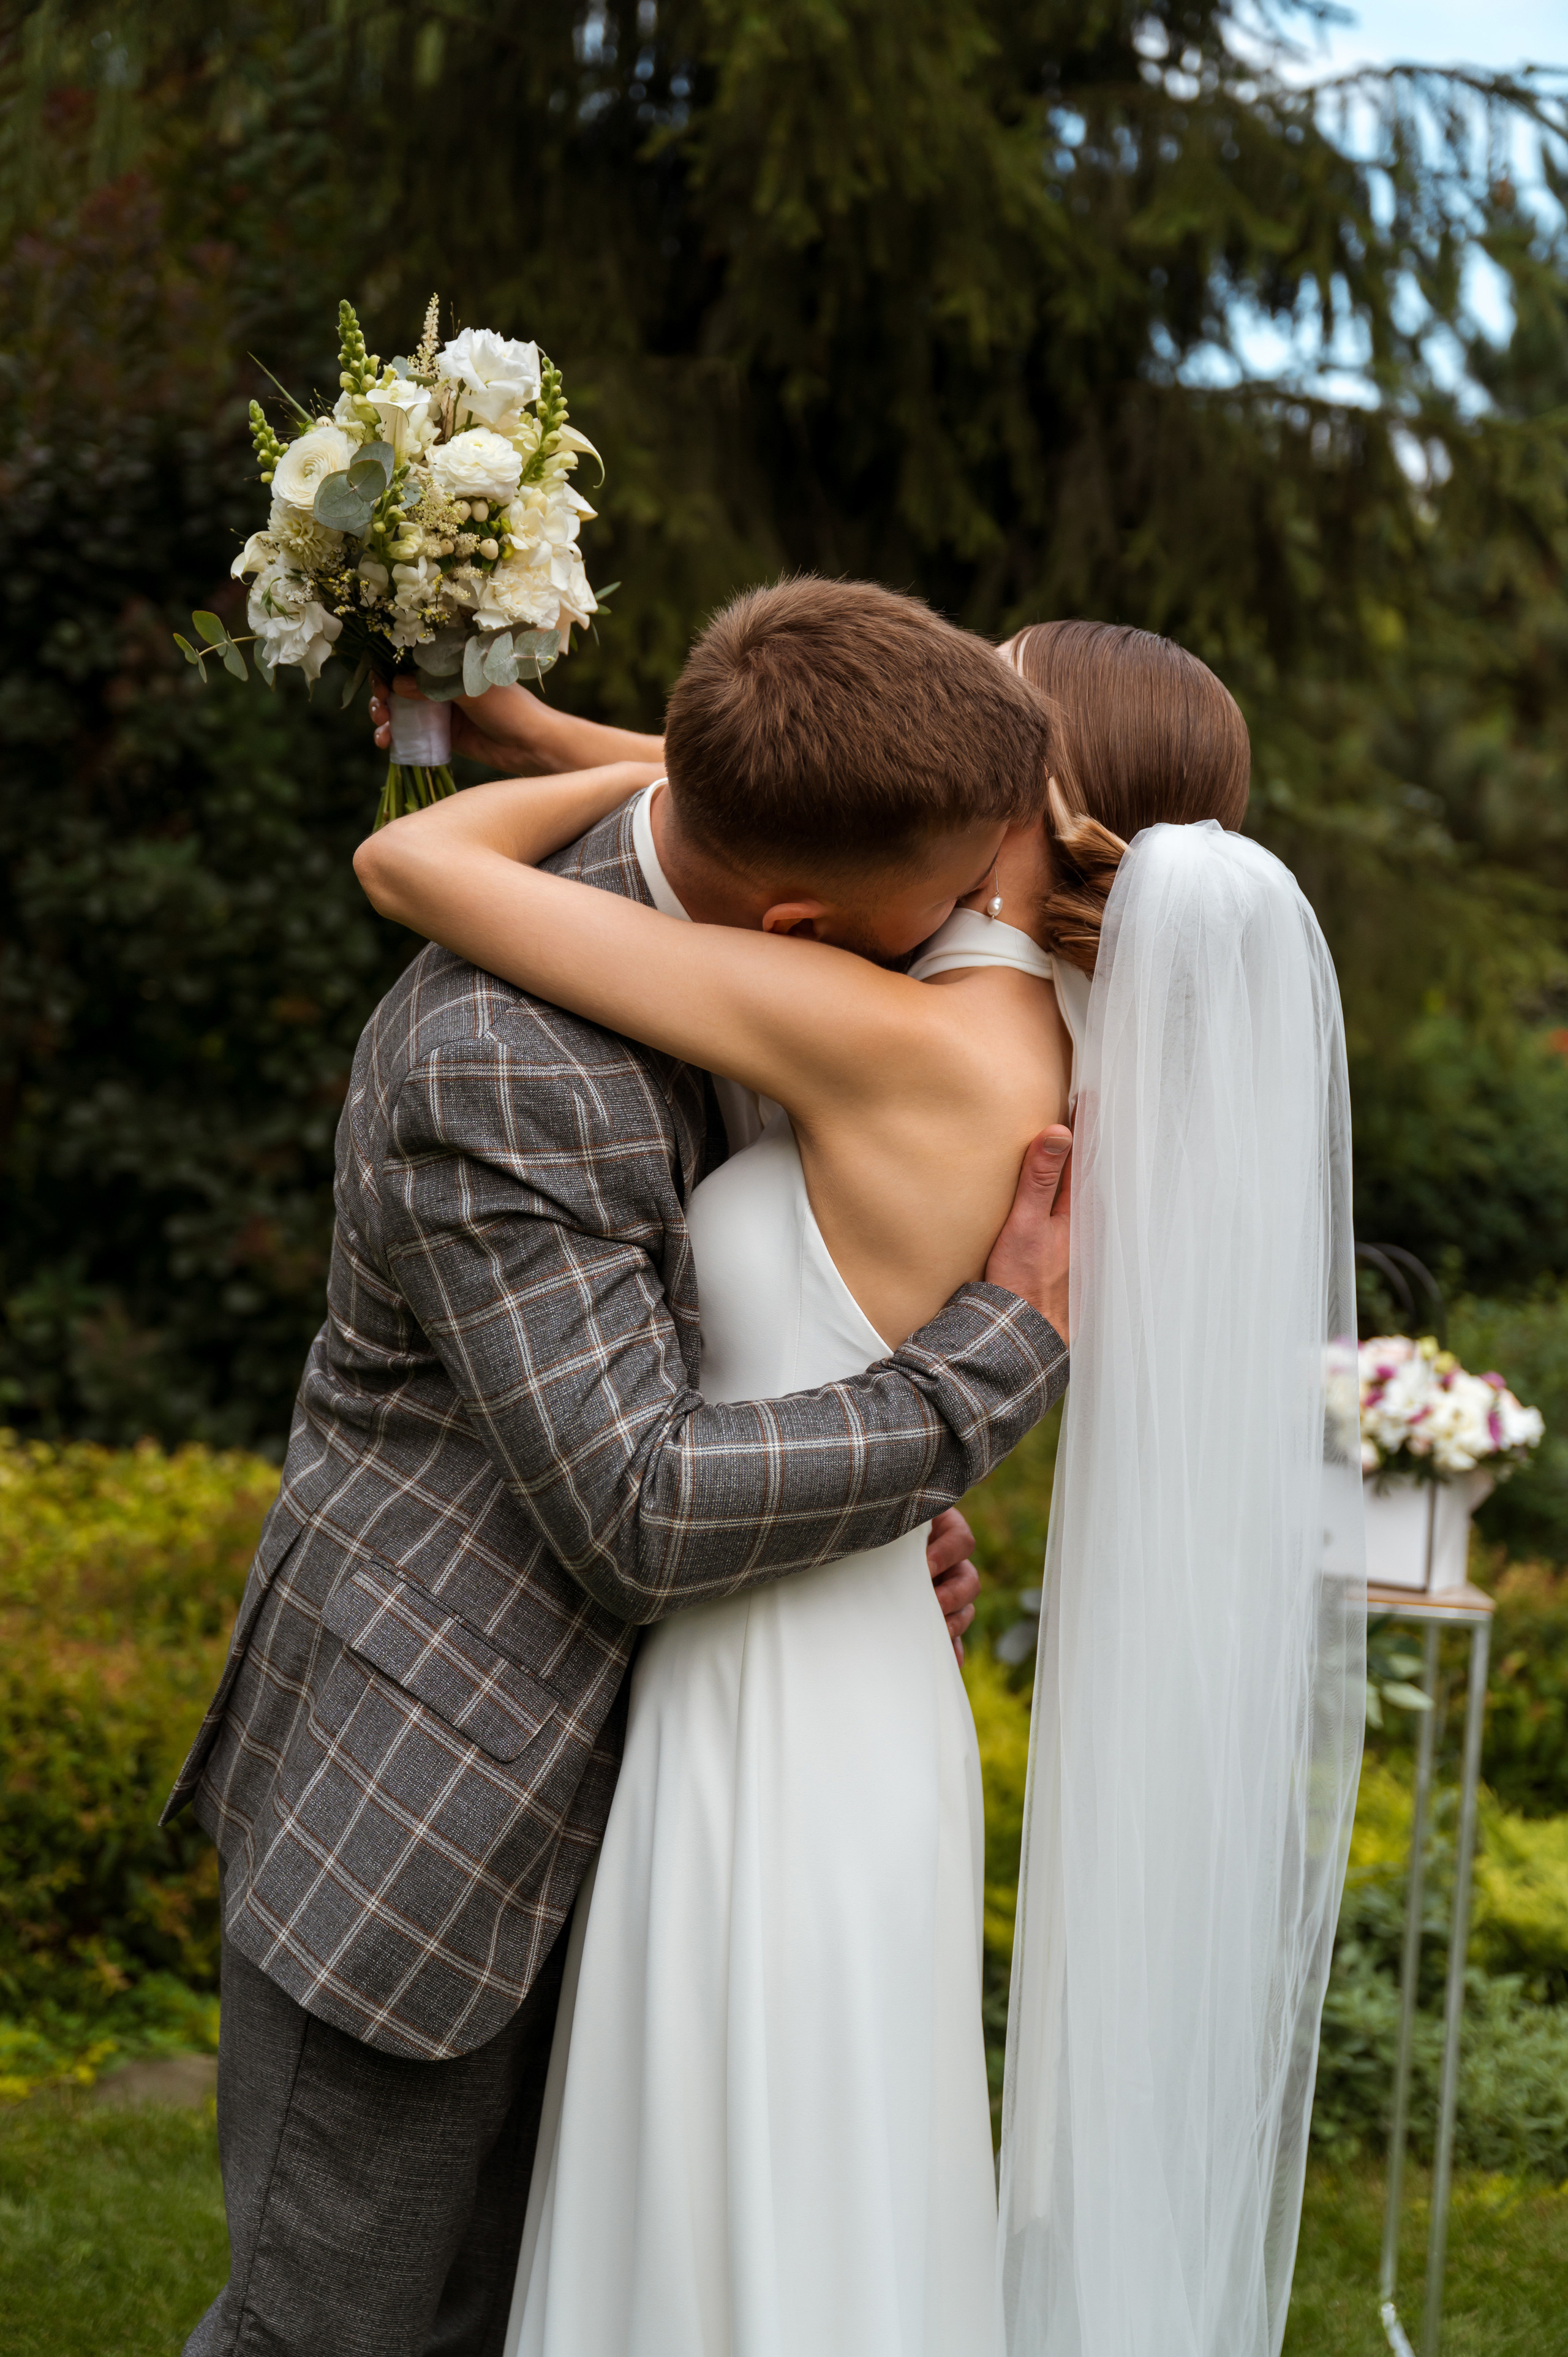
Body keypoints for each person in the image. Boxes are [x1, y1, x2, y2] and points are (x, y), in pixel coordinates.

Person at [356, 604, 1364, 2355]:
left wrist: (498, 762)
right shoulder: (1025, 1034)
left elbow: (419, 863)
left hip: (764, 1704)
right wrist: (528, 726)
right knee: (818, 2204)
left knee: (724, 2212)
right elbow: (777, 818)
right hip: (855, 1675)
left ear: (1009, 816)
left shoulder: (886, 1033)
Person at [165, 577, 1077, 2357]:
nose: (981, 912)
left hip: (700, 1806)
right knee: (341, 2334)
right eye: (956, 890)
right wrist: (986, 1372)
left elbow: (744, 1320)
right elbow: (645, 1507)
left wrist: (867, 1516)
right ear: (804, 914)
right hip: (441, 1799)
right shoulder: (501, 1050)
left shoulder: (775, 938)